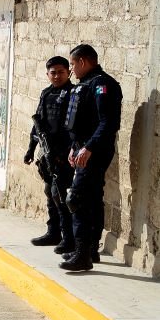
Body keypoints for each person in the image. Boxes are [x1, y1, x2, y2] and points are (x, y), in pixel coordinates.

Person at [59, 44, 122, 271]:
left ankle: (82, 254)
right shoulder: (85, 85)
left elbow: (108, 123)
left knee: (76, 199)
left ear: (83, 62)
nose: (72, 69)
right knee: (93, 199)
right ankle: (88, 250)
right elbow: (83, 123)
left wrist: (88, 148)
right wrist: (74, 147)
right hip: (83, 149)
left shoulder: (102, 85)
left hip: (95, 151)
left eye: (74, 64)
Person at [24, 56, 75, 254]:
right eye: (52, 73)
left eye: (61, 72)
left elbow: (73, 128)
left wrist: (64, 153)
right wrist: (30, 149)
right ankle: (53, 232)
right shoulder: (46, 94)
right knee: (49, 192)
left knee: (60, 194)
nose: (56, 76)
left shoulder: (73, 94)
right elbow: (38, 125)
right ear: (47, 74)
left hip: (63, 154)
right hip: (47, 153)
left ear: (68, 72)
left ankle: (67, 237)